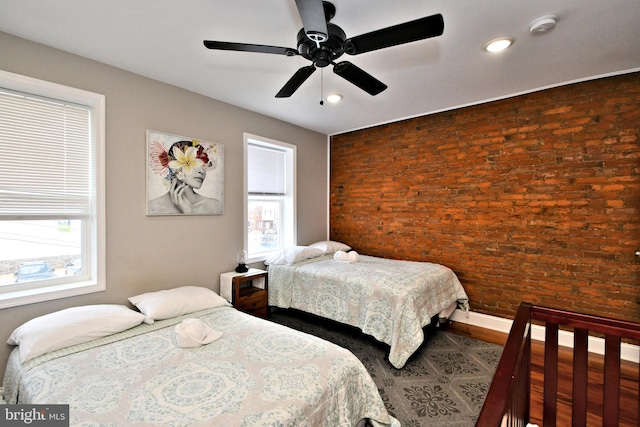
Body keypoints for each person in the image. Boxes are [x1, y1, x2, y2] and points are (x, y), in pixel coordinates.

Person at [148, 139, 223, 215]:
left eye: (204, 165)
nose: (202, 171)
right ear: (175, 166)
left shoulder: (214, 206)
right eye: (194, 164)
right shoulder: (153, 207)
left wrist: (188, 212)